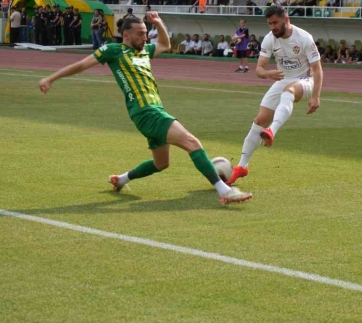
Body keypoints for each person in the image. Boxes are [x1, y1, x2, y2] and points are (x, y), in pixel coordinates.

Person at [38, 13, 252, 205]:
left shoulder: (145, 51)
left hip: (151, 111)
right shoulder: (114, 51)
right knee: (192, 142)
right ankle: (224, 190)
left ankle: (122, 179)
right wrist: (51, 78)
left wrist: (158, 23)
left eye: (145, 33)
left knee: (161, 163)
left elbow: (165, 45)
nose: (144, 37)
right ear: (126, 36)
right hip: (146, 112)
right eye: (140, 34)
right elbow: (82, 65)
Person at [225, 5, 323, 185]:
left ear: (286, 20)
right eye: (270, 24)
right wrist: (269, 74)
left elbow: (317, 69)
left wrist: (316, 96)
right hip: (282, 79)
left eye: (276, 23)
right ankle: (242, 166)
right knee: (259, 120)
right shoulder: (270, 39)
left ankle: (272, 131)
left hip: (304, 80)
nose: (272, 27)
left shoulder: (304, 38)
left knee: (289, 92)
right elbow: (259, 69)